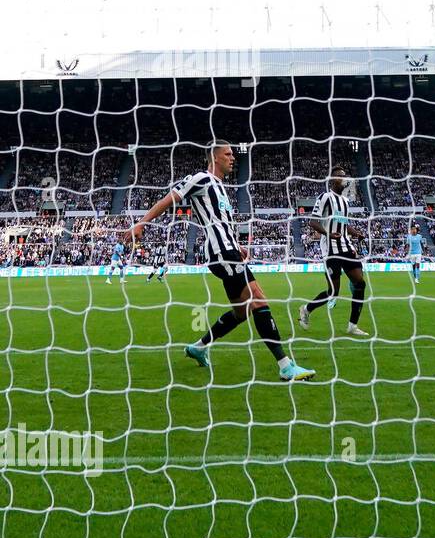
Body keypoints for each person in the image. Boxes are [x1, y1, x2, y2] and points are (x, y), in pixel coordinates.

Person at [128, 141, 314, 381]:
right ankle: (285, 365)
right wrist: (142, 223)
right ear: (215, 157)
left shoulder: (221, 188)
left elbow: (222, 224)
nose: (232, 158)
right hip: (221, 254)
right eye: (227, 154)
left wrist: (238, 246)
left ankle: (199, 346)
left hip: (229, 252)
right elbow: (168, 199)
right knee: (258, 300)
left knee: (241, 312)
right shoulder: (200, 179)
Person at [298, 167, 370, 338]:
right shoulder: (325, 197)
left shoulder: (345, 201)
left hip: (346, 247)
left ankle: (352, 325)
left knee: (360, 284)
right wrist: (329, 234)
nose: (344, 179)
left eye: (345, 176)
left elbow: (344, 224)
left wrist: (356, 233)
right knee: (333, 292)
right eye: (340, 176)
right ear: (332, 180)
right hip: (331, 249)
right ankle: (306, 309)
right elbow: (313, 222)